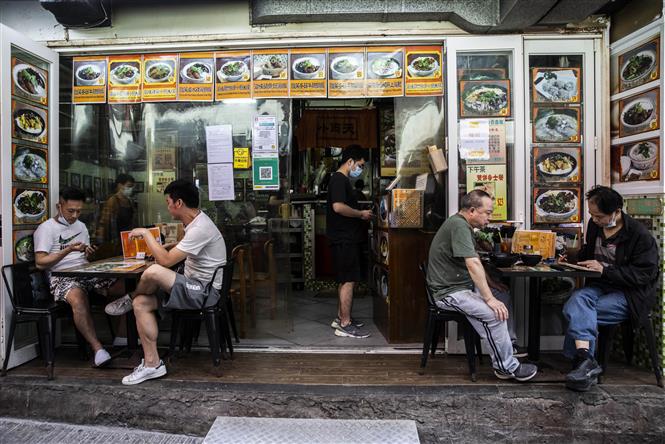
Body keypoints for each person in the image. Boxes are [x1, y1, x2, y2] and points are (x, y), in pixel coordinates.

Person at [104, 179, 227, 385]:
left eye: (168, 201)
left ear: (178, 203)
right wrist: (170, 244)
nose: (167, 206)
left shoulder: (200, 227)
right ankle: (152, 364)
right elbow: (186, 247)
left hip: (204, 292)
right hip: (191, 286)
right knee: (141, 303)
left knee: (153, 271)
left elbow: (166, 261)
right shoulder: (196, 222)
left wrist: (145, 233)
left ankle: (130, 295)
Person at [427, 190, 537, 382]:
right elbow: (473, 264)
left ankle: (508, 347)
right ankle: (506, 367)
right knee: (493, 313)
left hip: (460, 286)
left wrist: (491, 286)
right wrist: (488, 299)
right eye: (487, 212)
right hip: (448, 292)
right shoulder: (459, 226)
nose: (489, 217)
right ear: (472, 211)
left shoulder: (463, 225)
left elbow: (475, 259)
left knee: (502, 295)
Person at [561, 186, 658, 392]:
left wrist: (605, 270)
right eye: (592, 215)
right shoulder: (596, 226)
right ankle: (586, 362)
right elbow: (590, 251)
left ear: (616, 211)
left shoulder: (639, 235)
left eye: (599, 216)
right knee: (576, 301)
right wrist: (572, 257)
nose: (594, 220)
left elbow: (644, 275)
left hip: (629, 294)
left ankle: (581, 363)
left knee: (581, 311)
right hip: (600, 286)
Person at [34, 187, 125, 367]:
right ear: (59, 206)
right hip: (61, 277)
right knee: (78, 297)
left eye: (79, 211)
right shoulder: (46, 229)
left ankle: (122, 337)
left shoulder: (81, 226)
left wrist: (90, 253)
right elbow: (40, 262)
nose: (75, 215)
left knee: (124, 285)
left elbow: (84, 255)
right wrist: (67, 249)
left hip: (85, 271)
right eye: (71, 211)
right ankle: (98, 349)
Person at [326, 145, 373, 338]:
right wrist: (360, 214)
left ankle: (341, 317)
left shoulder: (341, 180)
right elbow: (338, 207)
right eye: (360, 165)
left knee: (345, 278)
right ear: (350, 161)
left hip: (346, 238)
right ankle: (345, 324)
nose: (360, 169)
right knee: (348, 280)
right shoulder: (339, 179)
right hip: (344, 238)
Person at [96, 174, 135, 257]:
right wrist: (101, 243)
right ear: (120, 185)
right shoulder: (112, 201)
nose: (131, 189)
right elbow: (104, 223)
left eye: (132, 187)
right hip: (115, 241)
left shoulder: (130, 201)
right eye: (129, 186)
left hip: (128, 238)